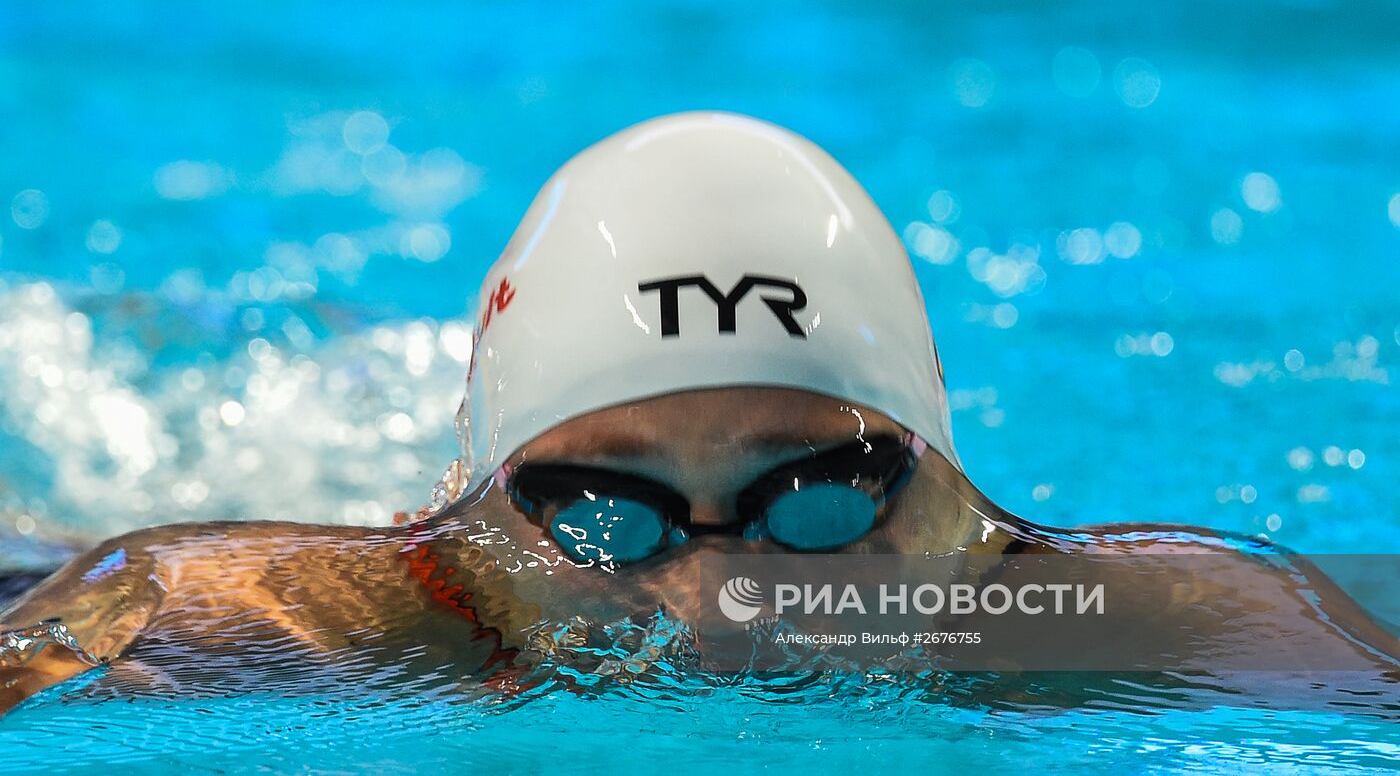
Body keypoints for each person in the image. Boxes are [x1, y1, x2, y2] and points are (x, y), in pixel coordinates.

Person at [2, 111, 1395, 714]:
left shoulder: (1060, 614)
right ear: (476, 520)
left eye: (820, 504)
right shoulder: (315, 616)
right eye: (607, 519)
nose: (718, 604)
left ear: (948, 497)